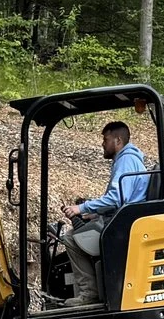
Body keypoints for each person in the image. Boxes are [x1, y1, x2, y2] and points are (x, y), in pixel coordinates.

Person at [60, 119, 151, 306]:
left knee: (71, 238)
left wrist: (81, 208)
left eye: (106, 139)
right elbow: (120, 200)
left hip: (123, 226)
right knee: (80, 232)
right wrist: (95, 214)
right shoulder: (129, 159)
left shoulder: (126, 161)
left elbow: (115, 198)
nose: (103, 143)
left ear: (118, 141)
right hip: (124, 219)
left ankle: (89, 293)